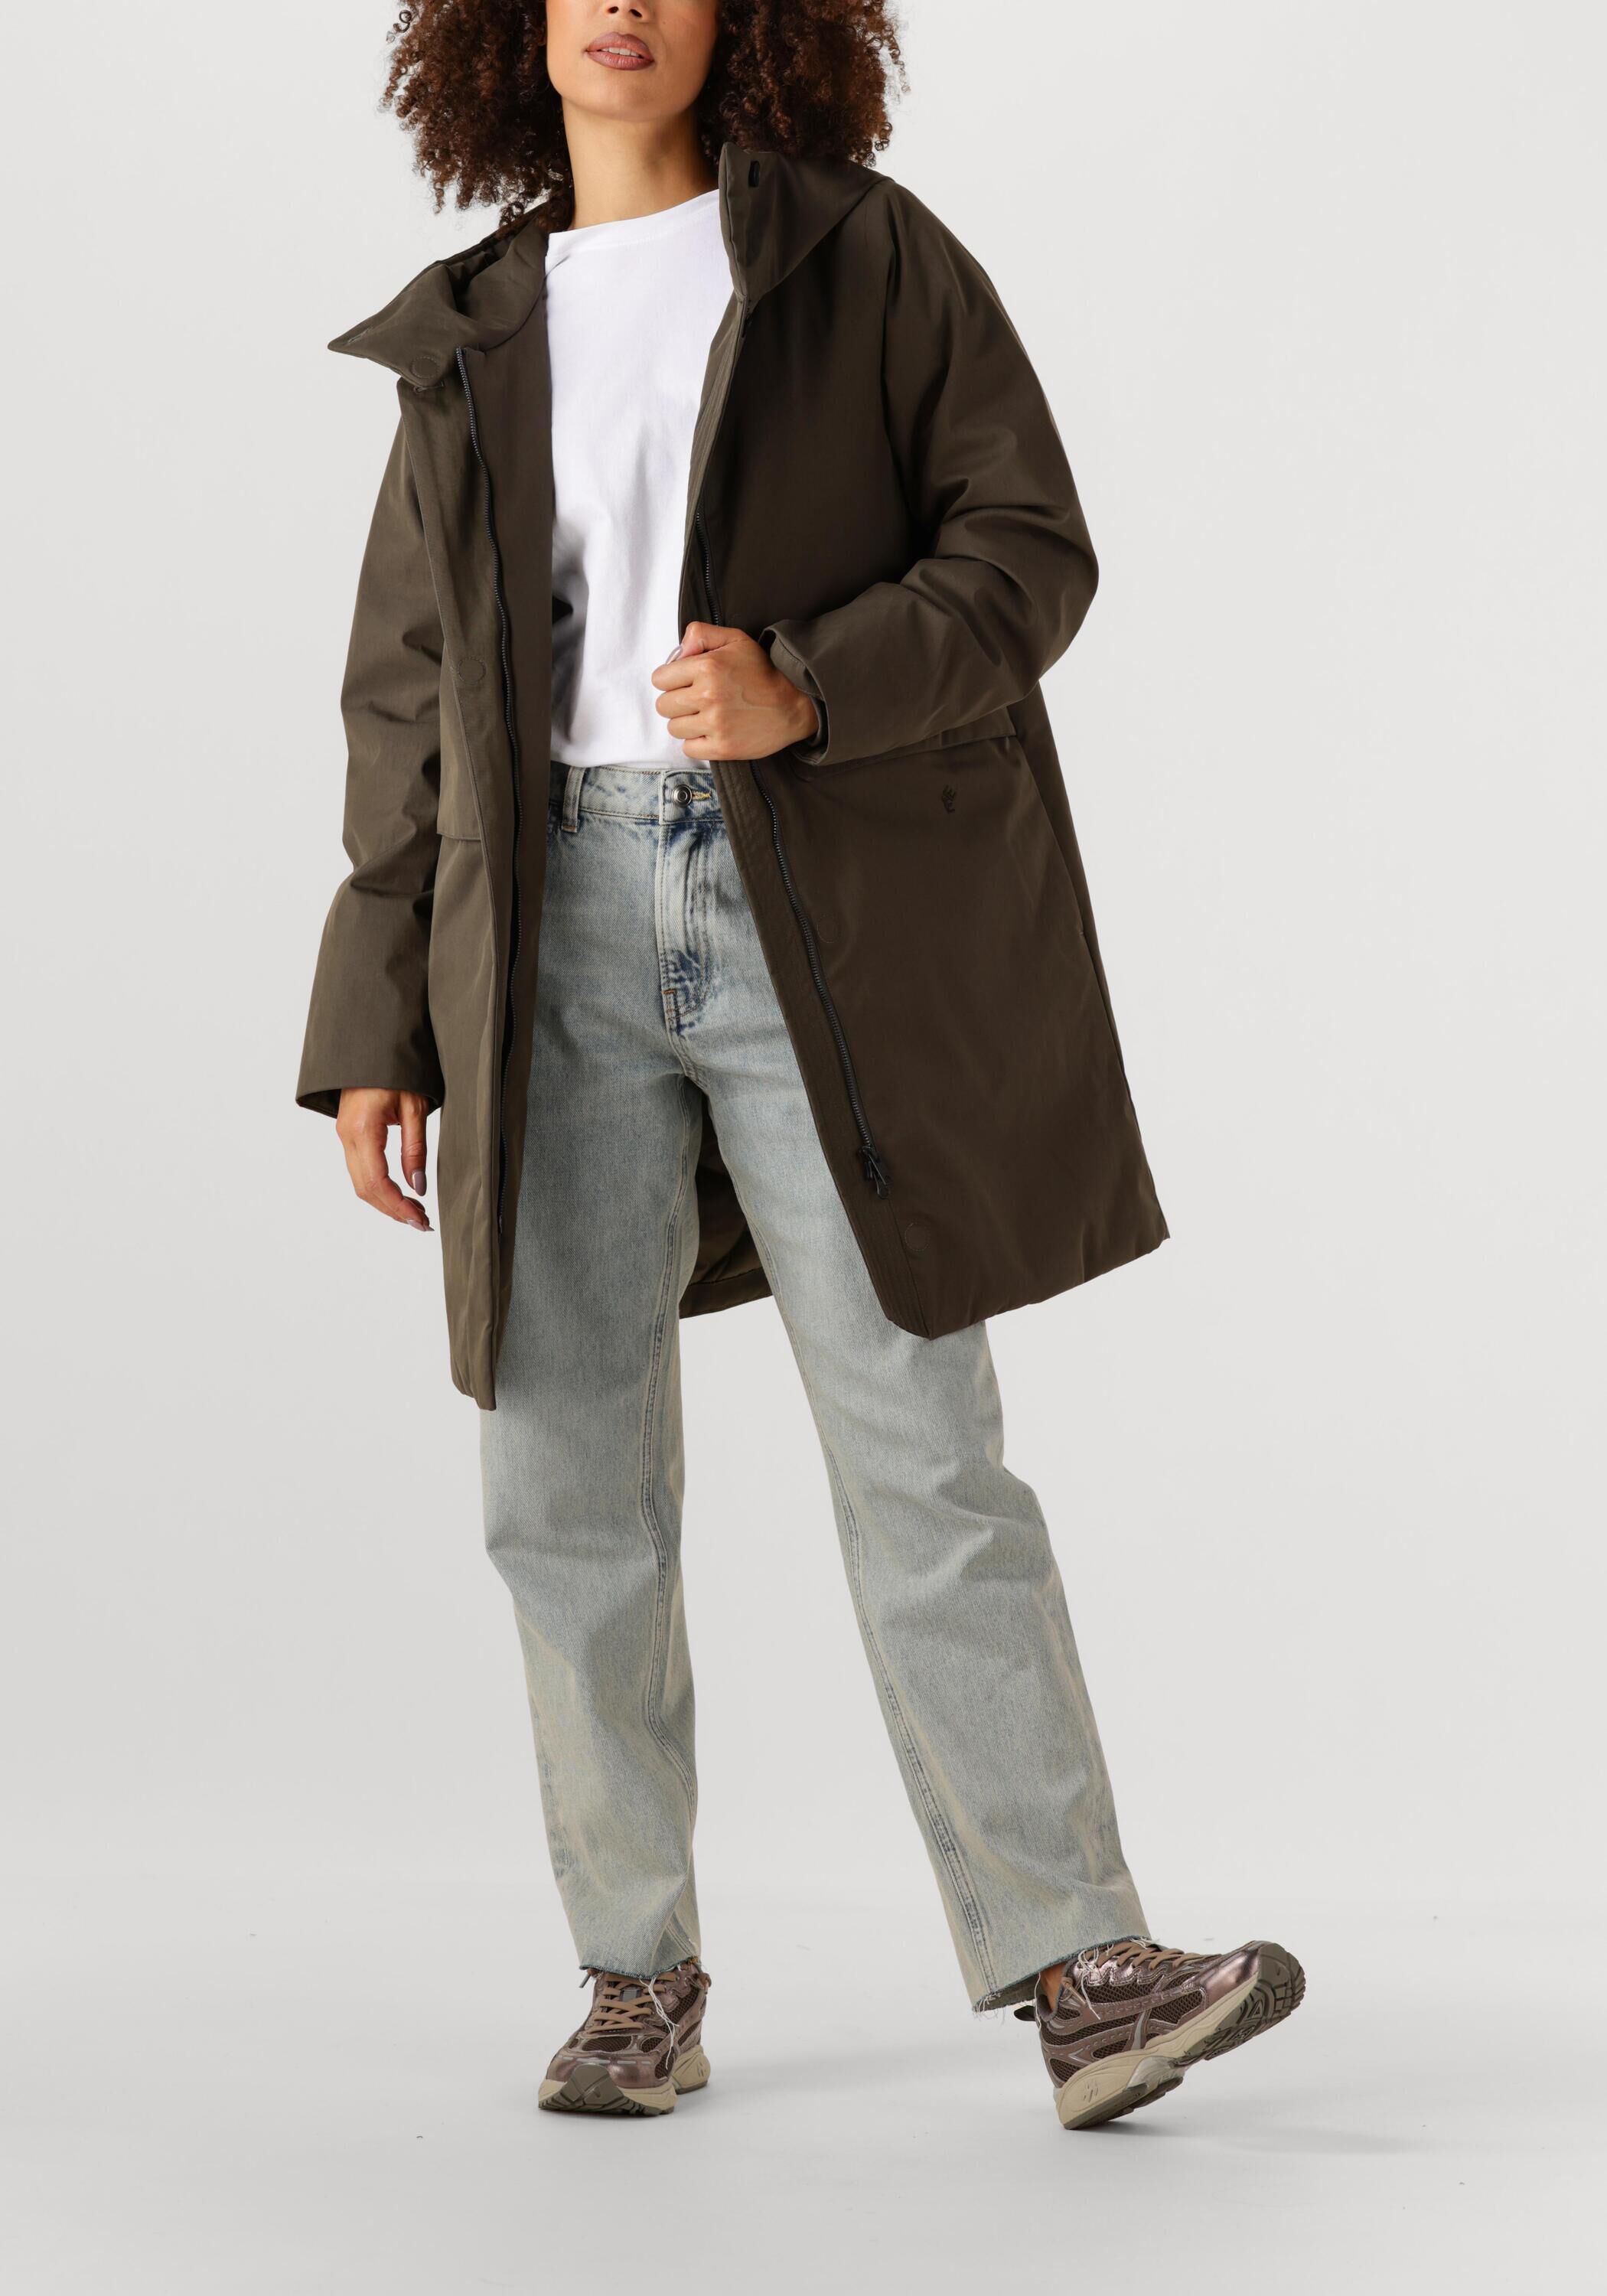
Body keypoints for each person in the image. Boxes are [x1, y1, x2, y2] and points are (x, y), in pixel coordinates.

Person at [298, 0, 1303, 2131]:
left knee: (921, 1446)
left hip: (814, 909)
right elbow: (410, 692)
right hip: (537, 932)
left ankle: (1079, 1971)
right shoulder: (473, 330)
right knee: (561, 1475)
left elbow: (1027, 553)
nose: (624, 5)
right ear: (507, 30)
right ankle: (630, 1979)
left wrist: (808, 687)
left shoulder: (867, 257)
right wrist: (374, 1013)